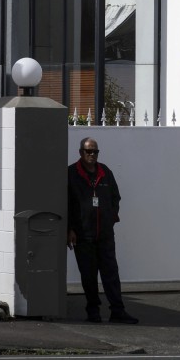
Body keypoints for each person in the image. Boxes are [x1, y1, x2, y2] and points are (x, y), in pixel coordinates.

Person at [67, 137, 139, 324]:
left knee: (111, 273)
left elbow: (115, 196)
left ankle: (118, 310)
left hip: (105, 234)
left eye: (95, 152)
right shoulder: (71, 174)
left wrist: (112, 216)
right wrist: (70, 229)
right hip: (83, 234)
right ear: (81, 152)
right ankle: (93, 311)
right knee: (89, 275)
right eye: (88, 151)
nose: (92, 155)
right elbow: (65, 203)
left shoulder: (105, 172)